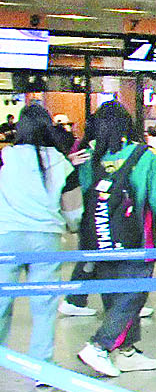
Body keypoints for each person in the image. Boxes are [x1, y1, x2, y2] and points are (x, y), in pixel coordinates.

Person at [73, 101, 156, 378]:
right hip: (137, 240)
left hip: (100, 241)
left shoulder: (91, 156)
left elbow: (84, 197)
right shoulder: (145, 156)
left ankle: (127, 352)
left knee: (114, 296)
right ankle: (99, 346)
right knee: (133, 295)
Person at [0, 103, 82, 375]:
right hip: (46, 239)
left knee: (2, 302)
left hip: (7, 237)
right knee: (44, 304)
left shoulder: (5, 157)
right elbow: (74, 212)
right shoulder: (61, 162)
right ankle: (42, 367)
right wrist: (71, 226)